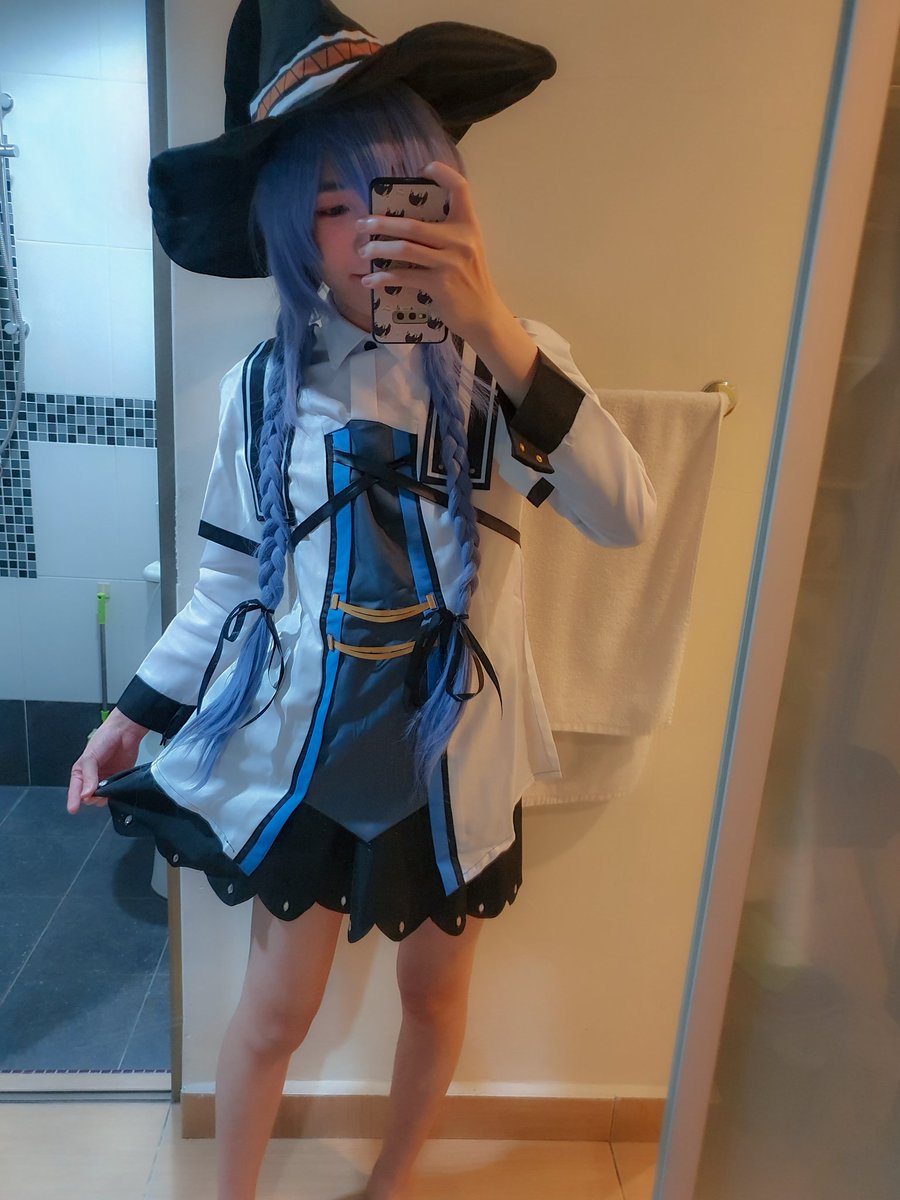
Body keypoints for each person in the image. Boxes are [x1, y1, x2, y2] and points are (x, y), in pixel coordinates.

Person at [66, 4, 657, 1199]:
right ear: (287, 222)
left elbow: (624, 514)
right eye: (329, 203)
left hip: (456, 761)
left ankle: (391, 1182)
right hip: (308, 755)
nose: (363, 230)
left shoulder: (511, 362)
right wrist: (132, 713)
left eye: (392, 190)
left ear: (444, 193)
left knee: (435, 992)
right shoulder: (259, 388)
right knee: (273, 1009)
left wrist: (491, 326)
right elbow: (227, 582)